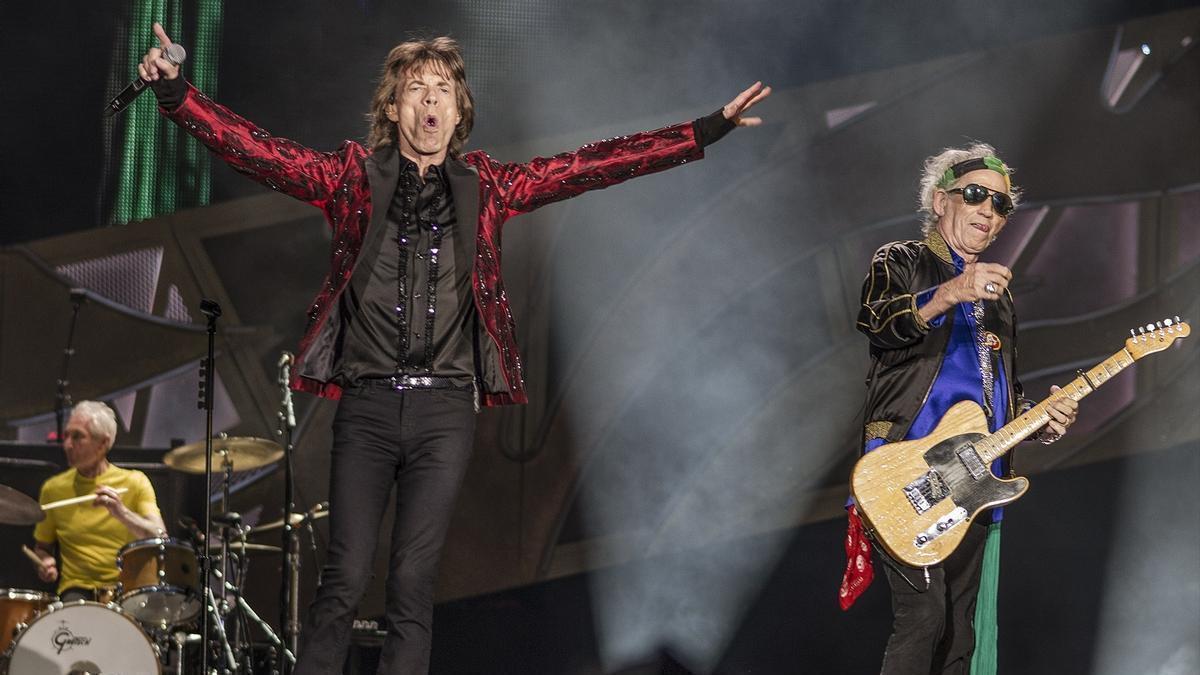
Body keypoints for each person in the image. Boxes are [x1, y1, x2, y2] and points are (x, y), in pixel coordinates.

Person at [139, 22, 770, 674]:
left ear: (460, 109)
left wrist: (703, 130)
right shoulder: (350, 176)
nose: (429, 101)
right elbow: (259, 151)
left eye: (442, 89)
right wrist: (176, 95)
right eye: (415, 90)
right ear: (392, 107)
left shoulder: (490, 187)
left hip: (444, 410)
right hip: (367, 404)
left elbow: (590, 165)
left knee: (413, 583)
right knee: (344, 578)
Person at [841, 144, 1079, 674]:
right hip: (902, 467)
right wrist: (950, 292)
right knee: (923, 615)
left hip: (971, 479)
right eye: (975, 195)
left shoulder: (1000, 299)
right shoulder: (899, 260)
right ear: (939, 199)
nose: (987, 212)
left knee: (957, 630)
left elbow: (1000, 395)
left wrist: (1040, 420)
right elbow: (878, 323)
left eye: (1000, 205)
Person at [30, 400, 166, 603]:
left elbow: (160, 537)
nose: (67, 445)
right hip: (77, 590)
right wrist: (44, 561)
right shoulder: (53, 489)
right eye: (66, 436)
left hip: (127, 588)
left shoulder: (135, 482)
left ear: (103, 443)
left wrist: (121, 512)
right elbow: (42, 547)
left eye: (77, 437)